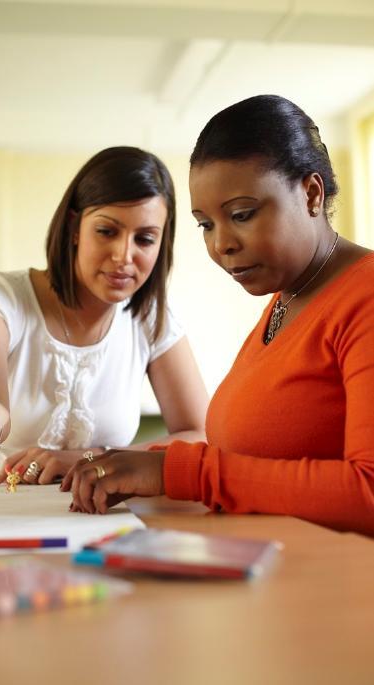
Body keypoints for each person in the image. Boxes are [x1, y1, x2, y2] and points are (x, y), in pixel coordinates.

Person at [64, 96, 374, 537]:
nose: (221, 244)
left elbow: (368, 493)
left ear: (310, 194)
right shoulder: (289, 299)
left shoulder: (364, 296)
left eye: (242, 215)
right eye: (205, 224)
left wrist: (183, 472)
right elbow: (254, 459)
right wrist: (126, 461)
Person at [0, 146, 208, 484]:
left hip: (87, 512)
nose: (123, 255)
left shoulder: (149, 319)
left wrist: (92, 458)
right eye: (107, 231)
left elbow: (201, 434)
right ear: (75, 227)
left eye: (145, 239)